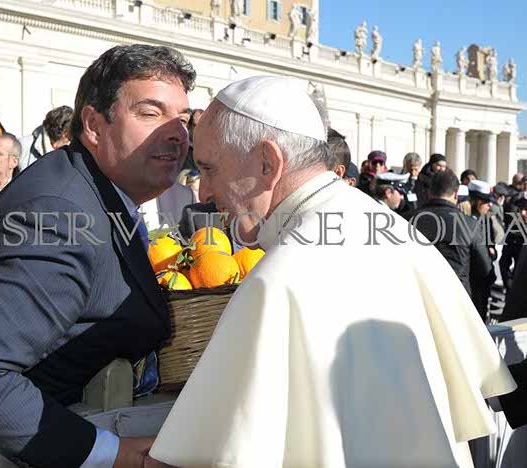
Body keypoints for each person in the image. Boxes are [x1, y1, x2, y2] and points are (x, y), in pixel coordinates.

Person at [149, 75, 515, 468]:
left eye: (209, 168)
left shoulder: (278, 280)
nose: (203, 192)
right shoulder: (395, 230)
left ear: (267, 163)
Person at [0, 44, 195, 468]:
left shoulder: (92, 191)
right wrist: (110, 454)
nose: (177, 133)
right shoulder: (58, 216)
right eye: (150, 113)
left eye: (183, 118)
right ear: (94, 125)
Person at [412, 170, 493, 296]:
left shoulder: (407, 220)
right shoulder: (469, 224)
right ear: (456, 194)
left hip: (418, 295)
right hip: (456, 296)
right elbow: (484, 268)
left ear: (429, 192)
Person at [468, 179, 498, 320]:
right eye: (486, 202)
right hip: (471, 278)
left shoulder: (486, 220)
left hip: (484, 278)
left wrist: (491, 251)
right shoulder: (465, 221)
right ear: (476, 202)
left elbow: (491, 244)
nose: (489, 205)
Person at [18, 105, 74, 171]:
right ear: (64, 133)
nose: (72, 137)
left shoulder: (73, 151)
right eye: (72, 132)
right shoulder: (23, 146)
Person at [397, 152, 422, 217]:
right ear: (404, 166)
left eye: (416, 169)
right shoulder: (397, 181)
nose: (413, 173)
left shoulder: (425, 183)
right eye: (410, 169)